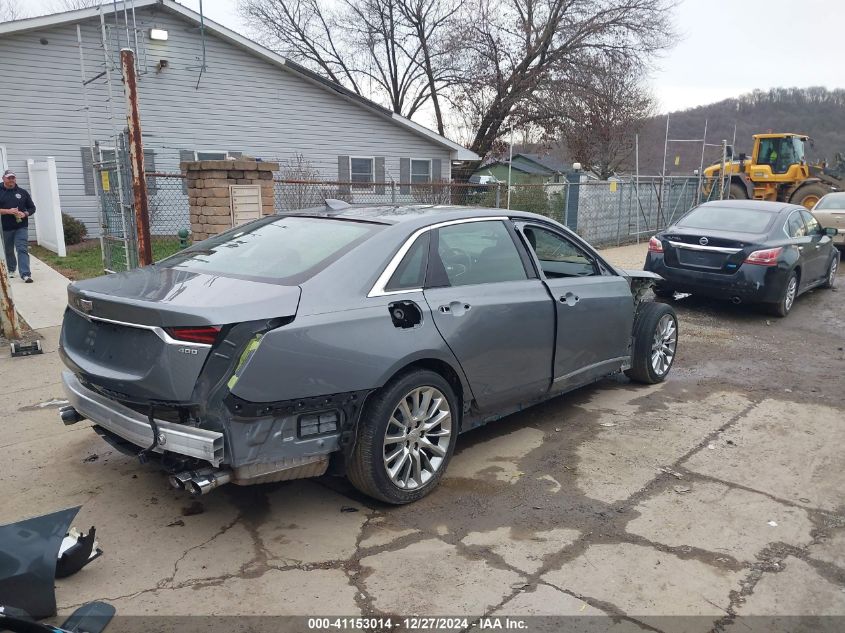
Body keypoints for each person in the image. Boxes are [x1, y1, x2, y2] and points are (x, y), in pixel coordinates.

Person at [0, 169, 36, 283]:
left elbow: (32, 208)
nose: (11, 180)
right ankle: (11, 269)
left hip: (21, 226)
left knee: (22, 249)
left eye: (13, 178)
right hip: (5, 227)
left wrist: (24, 213)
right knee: (9, 250)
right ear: (3, 178)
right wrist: (8, 211)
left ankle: (25, 274)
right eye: (9, 178)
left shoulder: (23, 192)